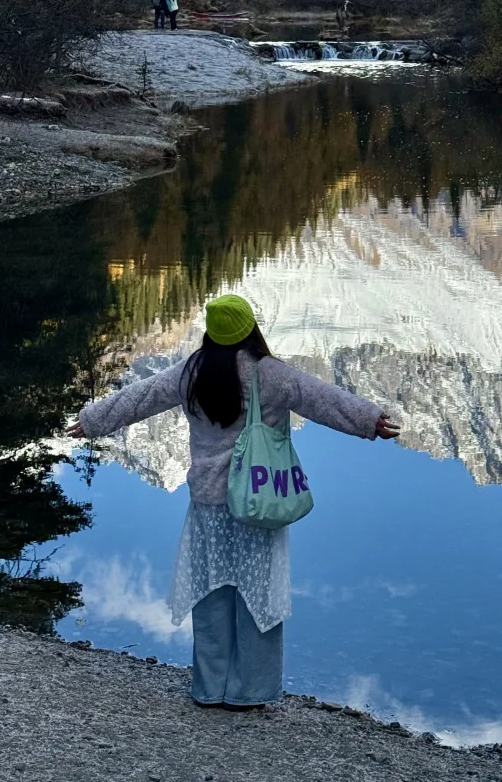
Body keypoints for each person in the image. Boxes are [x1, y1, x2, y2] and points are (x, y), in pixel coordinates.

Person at [68, 294, 399, 710]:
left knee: (211, 594)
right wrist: (370, 420)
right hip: (259, 501)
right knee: (257, 596)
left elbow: (141, 397)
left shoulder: (192, 372)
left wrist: (92, 420)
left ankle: (209, 688)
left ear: (211, 332)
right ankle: (249, 691)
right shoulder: (270, 374)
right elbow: (322, 399)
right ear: (249, 330)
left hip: (208, 503)